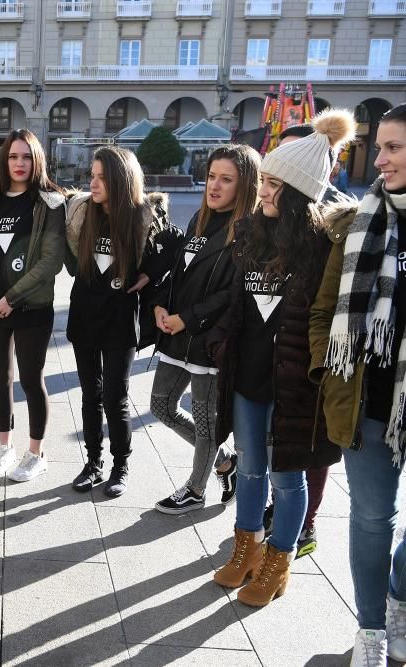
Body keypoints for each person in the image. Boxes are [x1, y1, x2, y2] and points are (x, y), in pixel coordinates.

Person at [207, 108, 353, 607]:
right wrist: (220, 343)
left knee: (287, 477)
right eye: (264, 181)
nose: (263, 190)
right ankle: (244, 549)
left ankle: (277, 561)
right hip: (246, 377)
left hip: (294, 385)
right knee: (249, 467)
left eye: (272, 183)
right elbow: (237, 302)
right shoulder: (248, 232)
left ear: (296, 191)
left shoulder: (320, 245)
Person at [309, 102, 406, 665]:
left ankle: (399, 596)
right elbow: (325, 312)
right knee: (373, 518)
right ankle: (371, 631)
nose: (380, 159)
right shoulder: (358, 223)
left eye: (395, 148)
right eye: (380, 147)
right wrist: (331, 369)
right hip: (367, 401)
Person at [149, 144, 261, 515]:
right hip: (176, 333)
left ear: (245, 185)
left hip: (209, 342)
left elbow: (234, 294)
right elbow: (178, 273)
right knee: (161, 406)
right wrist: (161, 304)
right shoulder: (200, 217)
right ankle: (224, 460)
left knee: (204, 421)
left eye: (226, 179)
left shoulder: (249, 232)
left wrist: (189, 317)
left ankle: (196, 490)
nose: (214, 186)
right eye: (212, 176)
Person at [257, 123, 352, 557]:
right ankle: (282, 518)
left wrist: (316, 361)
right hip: (270, 361)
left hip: (307, 365)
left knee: (307, 452)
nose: (266, 187)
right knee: (278, 453)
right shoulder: (262, 227)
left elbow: (324, 309)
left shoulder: (329, 234)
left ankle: (304, 525)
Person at [65, 146, 168, 497]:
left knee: (115, 396)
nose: (92, 184)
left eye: (101, 177)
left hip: (120, 319)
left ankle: (120, 466)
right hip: (84, 314)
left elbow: (174, 248)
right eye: (91, 176)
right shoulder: (82, 211)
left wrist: (149, 276)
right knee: (89, 395)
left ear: (121, 180)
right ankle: (92, 463)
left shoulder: (142, 217)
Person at [0, 128, 65, 482]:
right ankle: (5, 446)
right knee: (0, 379)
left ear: (37, 159)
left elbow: (50, 261)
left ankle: (36, 453)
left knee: (31, 380)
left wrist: (11, 298)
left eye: (26, 156)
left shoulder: (51, 202)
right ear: (4, 160)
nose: (19, 163)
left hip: (32, 309)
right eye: (13, 156)